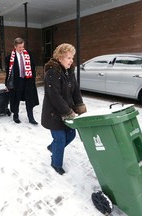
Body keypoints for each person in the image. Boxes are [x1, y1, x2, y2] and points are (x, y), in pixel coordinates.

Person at [41, 43, 87, 175]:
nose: (71, 60)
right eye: (68, 58)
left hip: (67, 110)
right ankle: (56, 163)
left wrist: (79, 107)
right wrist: (68, 112)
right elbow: (54, 96)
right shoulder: (52, 72)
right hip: (53, 113)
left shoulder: (69, 71)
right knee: (60, 139)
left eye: (72, 58)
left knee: (71, 135)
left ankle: (53, 148)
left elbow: (76, 91)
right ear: (60, 57)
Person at [5, 37, 39, 124]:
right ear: (15, 46)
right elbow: (7, 72)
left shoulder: (28, 54)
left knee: (29, 99)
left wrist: (33, 78)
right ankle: (15, 115)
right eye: (19, 47)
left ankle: (31, 117)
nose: (21, 49)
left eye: (22, 46)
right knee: (16, 98)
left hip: (28, 80)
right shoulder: (9, 57)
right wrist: (8, 83)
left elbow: (33, 67)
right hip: (17, 81)